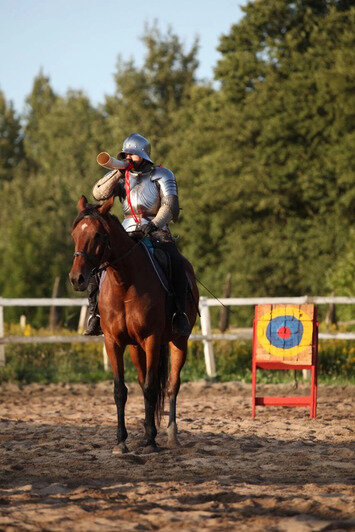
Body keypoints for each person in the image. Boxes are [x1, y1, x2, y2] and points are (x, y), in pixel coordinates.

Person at [84, 132, 191, 336]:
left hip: (156, 230)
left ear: (143, 155)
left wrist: (154, 225)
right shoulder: (121, 176)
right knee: (97, 267)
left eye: (131, 155)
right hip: (126, 232)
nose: (127, 158)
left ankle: (179, 313)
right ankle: (95, 315)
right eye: (125, 155)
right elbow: (98, 194)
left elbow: (171, 206)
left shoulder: (162, 174)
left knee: (176, 262)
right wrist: (117, 171)